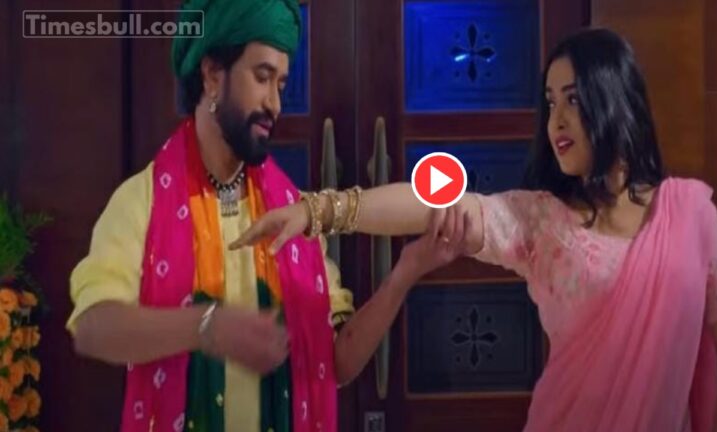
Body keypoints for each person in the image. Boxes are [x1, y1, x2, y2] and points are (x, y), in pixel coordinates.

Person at [231, 29, 717, 432]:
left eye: (573, 99)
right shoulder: (544, 221)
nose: (555, 120)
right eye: (550, 102)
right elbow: (435, 203)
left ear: (616, 101)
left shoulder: (691, 215)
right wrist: (318, 210)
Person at [66, 1, 453, 431]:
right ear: (213, 75)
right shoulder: (142, 201)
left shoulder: (291, 213)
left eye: (281, 85)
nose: (275, 104)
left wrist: (404, 273)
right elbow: (93, 328)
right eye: (262, 77)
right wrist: (206, 327)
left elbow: (336, 363)